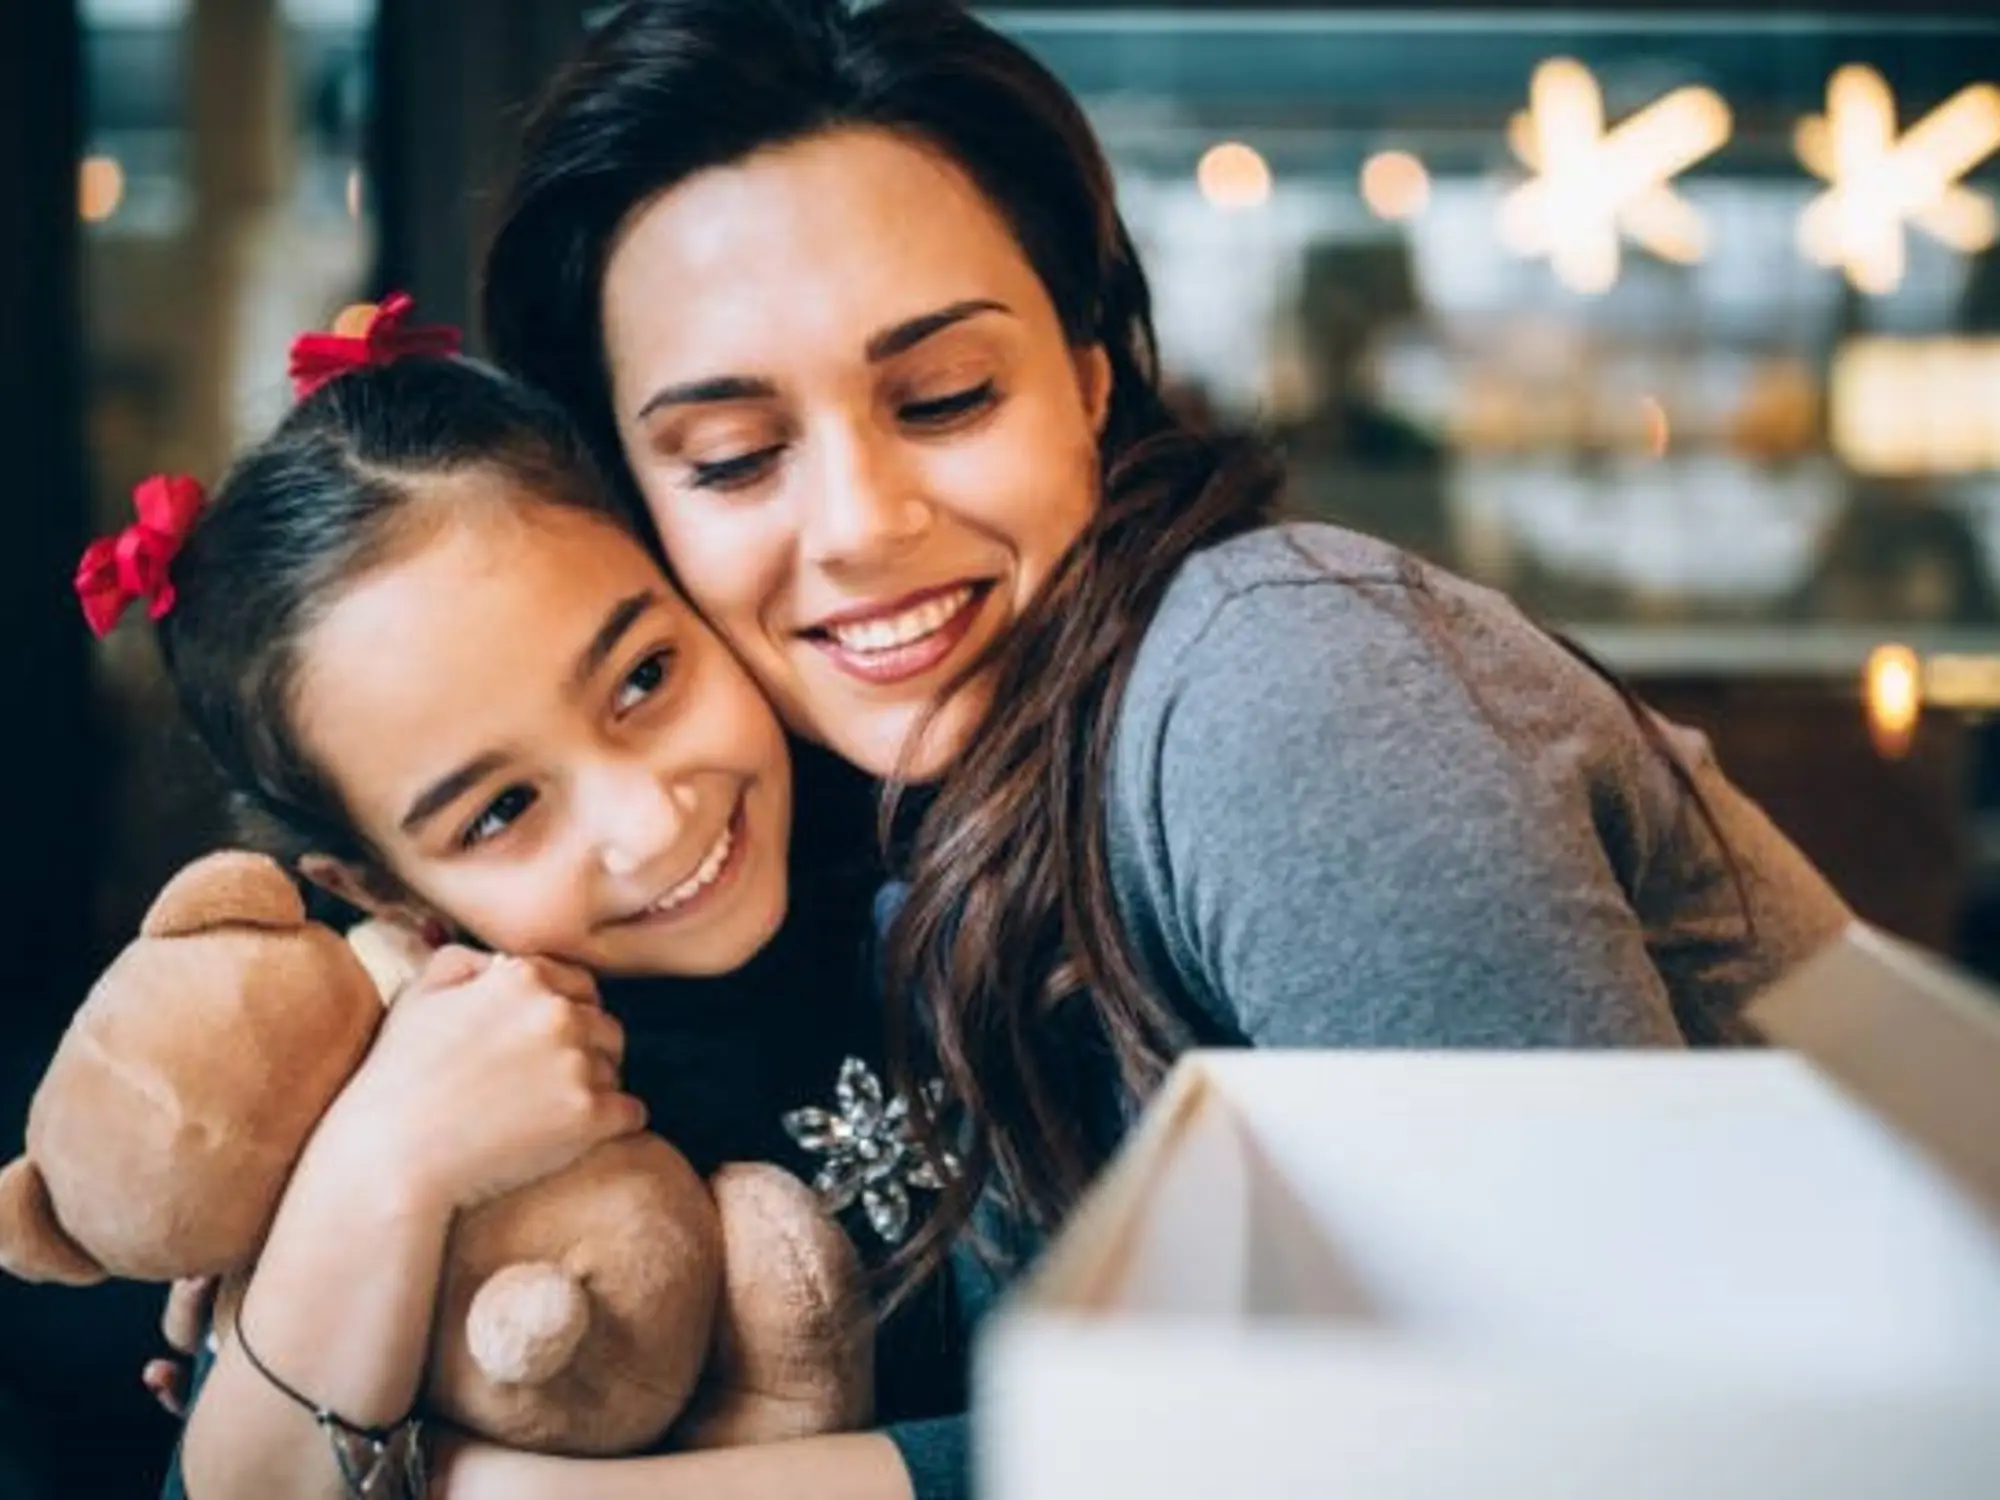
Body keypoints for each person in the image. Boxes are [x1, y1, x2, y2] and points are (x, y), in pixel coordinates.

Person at [468, 1, 1852, 1495]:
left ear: (1091, 377)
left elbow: (1582, 1402)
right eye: (735, 458)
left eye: (945, 398)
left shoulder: (1280, 675)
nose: (862, 523)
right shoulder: (852, 820)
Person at [86, 313, 940, 1500]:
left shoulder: (955, 862)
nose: (649, 821)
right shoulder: (386, 1087)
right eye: (499, 812)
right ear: (384, 890)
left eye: (644, 677)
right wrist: (383, 1167)